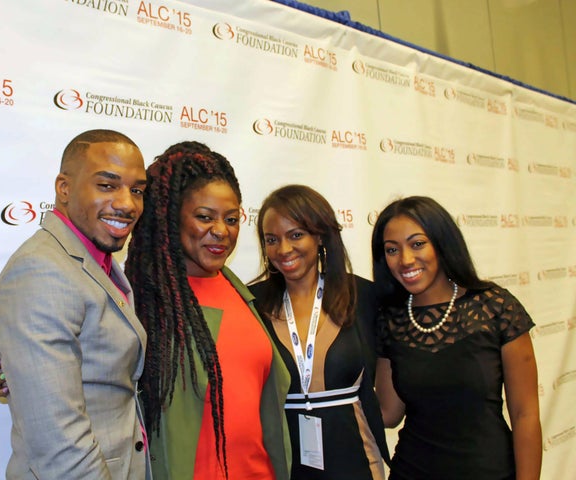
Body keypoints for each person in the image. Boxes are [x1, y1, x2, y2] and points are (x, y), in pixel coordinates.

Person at [0, 129, 151, 479]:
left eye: (137, 189)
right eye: (107, 185)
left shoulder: (95, 259)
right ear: (64, 188)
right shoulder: (41, 271)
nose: (127, 203)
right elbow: (59, 445)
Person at [123, 141, 291, 480]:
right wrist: (8, 371)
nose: (221, 231)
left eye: (231, 218)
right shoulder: (142, 301)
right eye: (204, 217)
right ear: (171, 217)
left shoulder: (242, 292)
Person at [370, 196, 542, 480]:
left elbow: (525, 415)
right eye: (392, 249)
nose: (405, 259)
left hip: (490, 472)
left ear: (442, 242)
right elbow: (389, 412)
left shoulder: (496, 307)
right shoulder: (390, 319)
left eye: (417, 244)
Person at [249, 184, 389, 479]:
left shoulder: (363, 296)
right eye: (272, 239)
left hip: (356, 460)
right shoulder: (252, 304)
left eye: (296, 235)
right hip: (282, 462)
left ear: (320, 236)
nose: (283, 249)